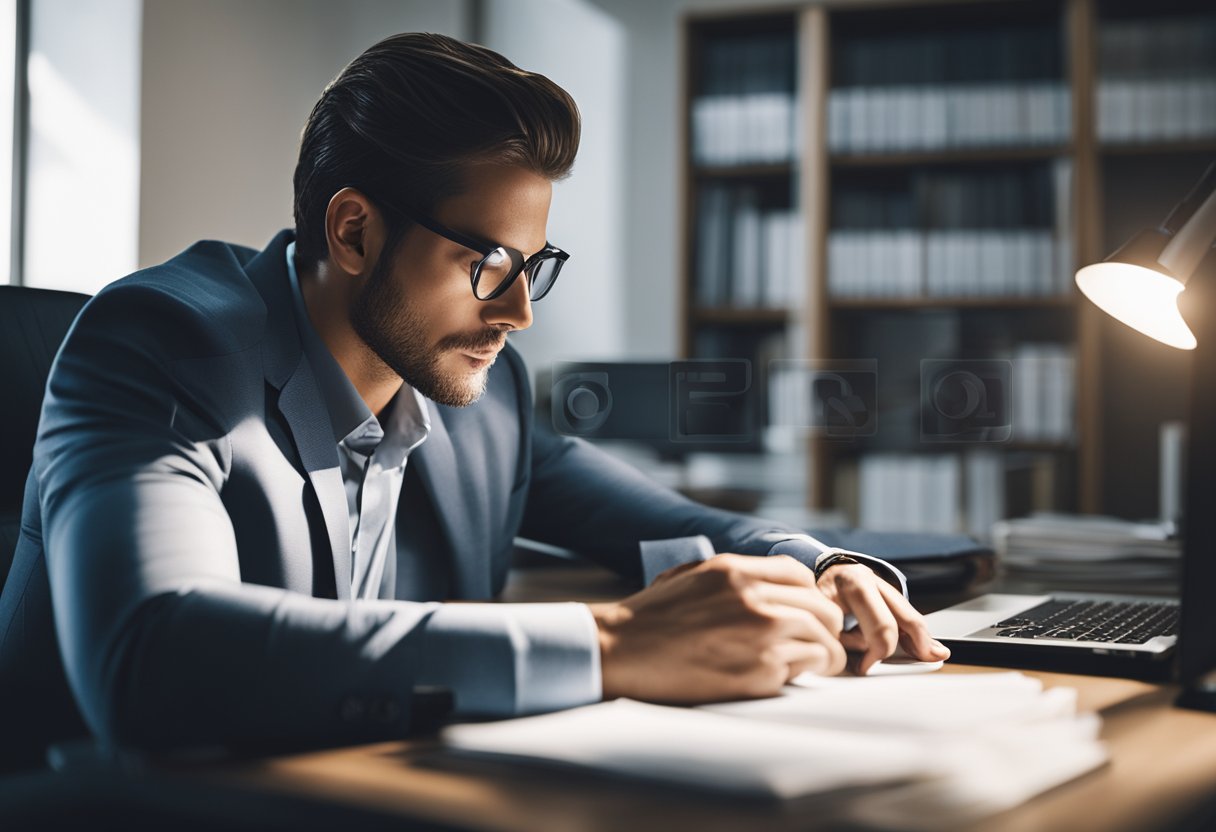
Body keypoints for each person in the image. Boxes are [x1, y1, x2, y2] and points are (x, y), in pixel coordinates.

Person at [0, 32, 948, 767]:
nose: (520, 311)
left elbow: (661, 522)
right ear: (355, 230)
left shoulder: (479, 403)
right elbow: (151, 658)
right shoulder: (162, 345)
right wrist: (614, 641)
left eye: (535, 266)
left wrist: (817, 563)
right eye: (489, 264)